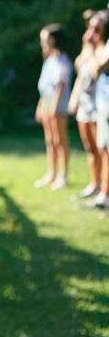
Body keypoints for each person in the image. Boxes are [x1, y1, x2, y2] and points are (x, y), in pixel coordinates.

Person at [68, 11, 102, 199]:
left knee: (101, 149)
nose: (90, 32)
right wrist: (74, 98)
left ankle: (104, 188)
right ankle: (94, 184)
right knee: (89, 147)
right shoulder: (88, 50)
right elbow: (80, 71)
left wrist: (92, 47)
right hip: (84, 105)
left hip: (98, 106)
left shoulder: (102, 49)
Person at [34, 24, 72, 190]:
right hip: (47, 104)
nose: (43, 43)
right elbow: (45, 87)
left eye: (46, 39)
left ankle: (63, 175)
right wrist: (41, 105)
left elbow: (60, 86)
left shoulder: (63, 61)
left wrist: (54, 107)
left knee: (60, 140)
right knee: (50, 140)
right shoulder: (48, 60)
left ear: (55, 40)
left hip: (58, 106)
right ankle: (52, 172)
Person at [87, 11, 109, 210]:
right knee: (102, 148)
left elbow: (97, 68)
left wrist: (92, 47)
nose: (92, 31)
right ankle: (103, 191)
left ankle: (106, 194)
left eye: (97, 27)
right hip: (103, 100)